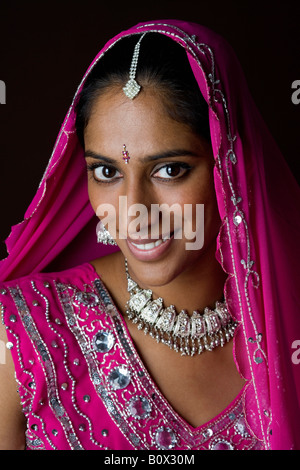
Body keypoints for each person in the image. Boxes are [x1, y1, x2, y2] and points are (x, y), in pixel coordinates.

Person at [0, 20, 299, 451]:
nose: (133, 209)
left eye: (170, 170)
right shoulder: (20, 334)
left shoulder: (287, 332)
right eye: (107, 172)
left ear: (229, 166)